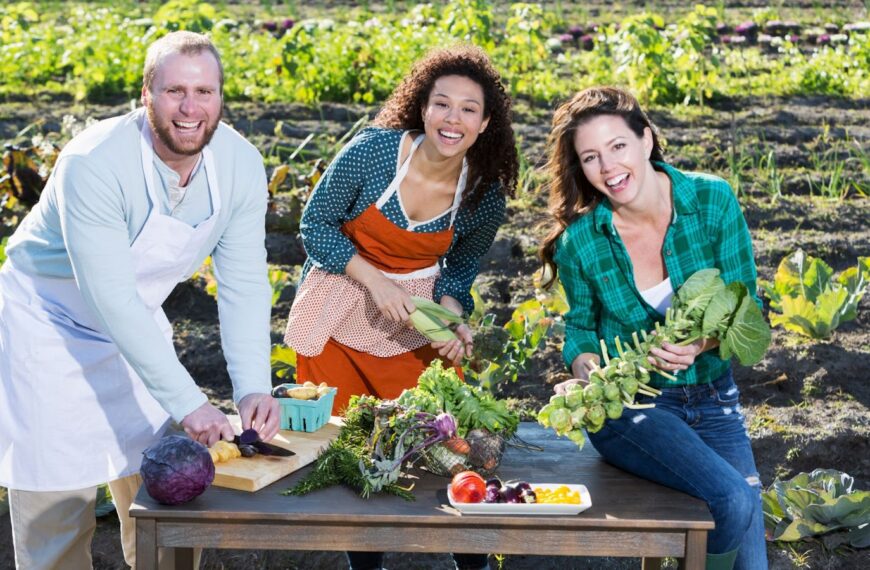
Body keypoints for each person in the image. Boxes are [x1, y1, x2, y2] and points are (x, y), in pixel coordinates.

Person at [0, 31, 280, 569]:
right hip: (48, 326)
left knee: (167, 496)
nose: (191, 108)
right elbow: (107, 296)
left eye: (206, 91)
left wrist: (251, 388)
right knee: (56, 513)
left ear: (222, 97)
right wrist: (190, 402)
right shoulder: (95, 162)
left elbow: (244, 283)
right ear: (146, 95)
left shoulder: (240, 165)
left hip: (138, 325)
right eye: (175, 90)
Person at [284, 45, 518, 570]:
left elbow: (459, 267)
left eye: (468, 109)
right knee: (352, 456)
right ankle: (365, 562)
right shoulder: (374, 152)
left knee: (440, 443)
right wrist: (375, 282)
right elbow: (314, 224)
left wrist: (453, 315)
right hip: (340, 309)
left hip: (412, 321)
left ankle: (470, 559)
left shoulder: (482, 192)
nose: (451, 119)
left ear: (485, 124)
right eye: (441, 104)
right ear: (422, 107)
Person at [539, 87, 766, 570]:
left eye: (618, 146)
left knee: (751, 558)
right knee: (733, 499)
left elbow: (748, 305)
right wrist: (586, 366)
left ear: (646, 139)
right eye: (591, 157)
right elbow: (579, 327)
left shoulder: (712, 201)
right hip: (632, 407)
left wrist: (702, 342)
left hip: (714, 398)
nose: (608, 167)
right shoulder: (581, 242)